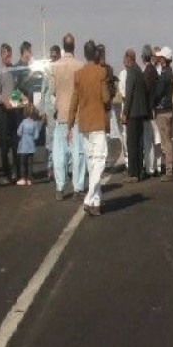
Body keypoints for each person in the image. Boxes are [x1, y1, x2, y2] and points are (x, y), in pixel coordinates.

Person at [68, 40, 110, 216]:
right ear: (96, 54)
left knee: (92, 163)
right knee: (100, 160)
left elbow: (74, 100)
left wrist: (69, 124)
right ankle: (89, 198)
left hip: (84, 123)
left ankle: (96, 202)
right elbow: (106, 98)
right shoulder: (101, 72)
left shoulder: (79, 74)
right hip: (98, 122)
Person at [51, 33, 85, 201]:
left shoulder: (55, 67)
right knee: (78, 153)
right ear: (74, 46)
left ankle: (60, 187)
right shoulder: (80, 66)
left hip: (61, 115)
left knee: (59, 154)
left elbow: (52, 92)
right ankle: (78, 187)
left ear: (63, 47)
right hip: (77, 116)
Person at [121, 49, 148, 183]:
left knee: (131, 144)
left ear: (129, 58)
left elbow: (129, 93)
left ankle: (133, 173)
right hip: (141, 112)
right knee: (139, 143)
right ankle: (139, 171)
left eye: (124, 58)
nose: (123, 60)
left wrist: (125, 112)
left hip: (132, 113)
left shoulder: (131, 72)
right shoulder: (139, 70)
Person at [0, 43, 18, 184]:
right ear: (2, 55)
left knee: (14, 142)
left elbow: (15, 88)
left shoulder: (13, 70)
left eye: (10, 55)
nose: (9, 58)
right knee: (3, 143)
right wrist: (4, 101)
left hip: (14, 110)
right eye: (7, 55)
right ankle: (5, 173)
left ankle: (15, 171)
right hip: (3, 111)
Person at [154, 46, 173, 182]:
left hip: (162, 110)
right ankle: (169, 169)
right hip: (168, 109)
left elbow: (158, 93)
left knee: (165, 142)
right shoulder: (171, 73)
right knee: (167, 140)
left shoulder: (164, 75)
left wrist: (152, 102)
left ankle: (169, 171)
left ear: (164, 59)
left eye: (161, 57)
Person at [40, 45, 61, 181]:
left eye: (55, 56)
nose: (53, 58)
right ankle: (50, 168)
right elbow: (43, 92)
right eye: (51, 56)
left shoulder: (62, 70)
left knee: (62, 140)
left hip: (61, 111)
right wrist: (42, 111)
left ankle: (62, 167)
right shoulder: (47, 72)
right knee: (50, 142)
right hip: (49, 111)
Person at [141, 44, 161, 177]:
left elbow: (145, 92)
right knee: (156, 140)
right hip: (154, 109)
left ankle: (150, 168)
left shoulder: (147, 72)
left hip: (148, 111)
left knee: (148, 141)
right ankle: (157, 166)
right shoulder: (154, 71)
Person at [17, 105, 39, 186]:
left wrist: (23, 135)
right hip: (31, 145)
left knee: (23, 163)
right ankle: (30, 179)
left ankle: (23, 178)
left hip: (23, 145)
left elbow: (18, 133)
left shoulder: (23, 123)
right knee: (30, 163)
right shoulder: (34, 123)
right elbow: (36, 136)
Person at [117, 66, 129, 168]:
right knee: (125, 135)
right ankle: (128, 162)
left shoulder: (134, 72)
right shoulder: (123, 73)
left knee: (127, 135)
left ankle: (130, 161)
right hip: (127, 108)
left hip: (129, 108)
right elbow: (122, 92)